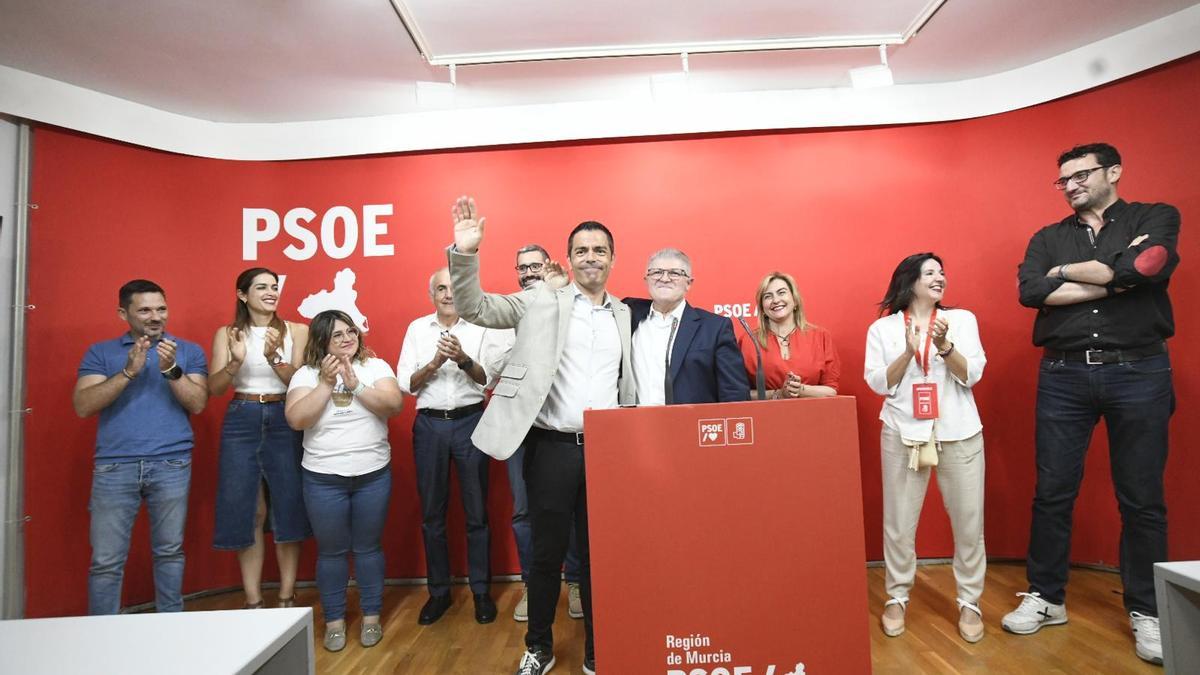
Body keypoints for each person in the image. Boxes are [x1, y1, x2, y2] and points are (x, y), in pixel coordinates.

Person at [1007, 142, 1179, 665]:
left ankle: (1147, 611)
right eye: (1064, 180)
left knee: (1141, 499)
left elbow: (1150, 265)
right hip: (1063, 373)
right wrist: (1112, 277)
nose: (1072, 185)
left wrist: (1070, 274)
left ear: (1114, 172)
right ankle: (1046, 597)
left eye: (1081, 175)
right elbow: (1031, 292)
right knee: (1053, 492)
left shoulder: (1155, 216)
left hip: (1140, 370)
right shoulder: (1046, 238)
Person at [447, 196, 635, 675]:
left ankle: (600, 650)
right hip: (551, 448)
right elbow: (475, 306)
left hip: (608, 452)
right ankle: (539, 648)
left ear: (612, 258)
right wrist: (465, 252)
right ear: (568, 259)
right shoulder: (541, 300)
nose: (591, 257)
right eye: (582, 250)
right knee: (547, 559)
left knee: (599, 560)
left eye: (600, 250)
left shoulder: (624, 314)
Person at [864, 253, 988, 643]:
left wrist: (944, 346)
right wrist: (907, 351)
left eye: (942, 272)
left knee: (969, 523)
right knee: (899, 523)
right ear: (909, 280)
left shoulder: (962, 320)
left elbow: (973, 375)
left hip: (960, 432)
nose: (940, 278)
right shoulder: (883, 329)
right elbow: (878, 384)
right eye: (929, 272)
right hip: (903, 431)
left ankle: (970, 601)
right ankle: (897, 596)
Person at [72, 279, 208, 615]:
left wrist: (171, 370)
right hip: (115, 466)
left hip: (172, 463)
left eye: (161, 308)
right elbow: (83, 405)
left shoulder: (186, 351)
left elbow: (198, 403)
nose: (155, 316)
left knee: (170, 552)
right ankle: (103, 637)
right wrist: (128, 373)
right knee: (106, 561)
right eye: (145, 309)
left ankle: (170, 628)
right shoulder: (100, 352)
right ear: (123, 313)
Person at [285, 310, 404, 652]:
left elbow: (393, 405)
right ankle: (334, 621)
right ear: (321, 340)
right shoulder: (306, 374)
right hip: (324, 479)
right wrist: (325, 383)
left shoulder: (375, 367)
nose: (346, 338)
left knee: (368, 548)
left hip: (372, 474)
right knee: (332, 552)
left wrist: (356, 385)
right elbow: (296, 419)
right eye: (336, 335)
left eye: (350, 331)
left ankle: (371, 617)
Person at [396, 267, 507, 625]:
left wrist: (460, 358)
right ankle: (439, 593)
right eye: (441, 288)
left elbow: (487, 380)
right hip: (430, 425)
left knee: (477, 514)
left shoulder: (481, 327)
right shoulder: (417, 329)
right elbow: (406, 385)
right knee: (432, 515)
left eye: (453, 287)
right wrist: (435, 362)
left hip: (472, 421)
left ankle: (480, 592)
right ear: (432, 294)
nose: (448, 294)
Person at [209, 268, 311, 609]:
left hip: (285, 414)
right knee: (249, 509)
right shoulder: (227, 334)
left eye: (274, 287)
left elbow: (300, 380)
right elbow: (215, 388)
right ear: (242, 294)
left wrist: (273, 358)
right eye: (262, 287)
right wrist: (235, 364)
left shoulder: (298, 330)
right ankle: (252, 600)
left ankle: (286, 595)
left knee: (288, 504)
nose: (271, 292)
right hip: (242, 416)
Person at [498, 245, 587, 623]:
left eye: (536, 265)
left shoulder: (571, 305)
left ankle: (578, 584)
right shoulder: (506, 312)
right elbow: (492, 367)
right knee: (523, 513)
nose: (529, 272)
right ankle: (533, 586)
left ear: (550, 267)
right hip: (520, 427)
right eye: (522, 267)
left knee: (570, 514)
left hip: (558, 430)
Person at [626, 247, 748, 405]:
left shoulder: (715, 328)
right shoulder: (626, 313)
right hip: (636, 425)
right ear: (646, 279)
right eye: (656, 272)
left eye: (675, 273)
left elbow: (734, 392)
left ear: (689, 283)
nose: (664, 278)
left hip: (692, 426)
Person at [737, 272, 840, 399]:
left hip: (813, 415)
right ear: (762, 308)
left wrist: (800, 389)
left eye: (781, 292)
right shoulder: (748, 341)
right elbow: (739, 393)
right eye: (768, 296)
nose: (775, 300)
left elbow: (831, 390)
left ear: (795, 299)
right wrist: (778, 394)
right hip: (765, 416)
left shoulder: (820, 337)